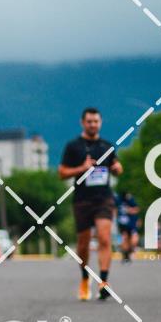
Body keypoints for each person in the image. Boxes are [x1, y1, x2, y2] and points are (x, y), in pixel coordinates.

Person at [58, 107, 123, 300]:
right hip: (82, 200)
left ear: (100, 123)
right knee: (83, 243)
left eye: (96, 121)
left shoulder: (107, 146)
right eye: (89, 121)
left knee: (104, 237)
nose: (93, 125)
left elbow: (117, 166)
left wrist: (117, 168)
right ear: (82, 123)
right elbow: (62, 173)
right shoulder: (73, 146)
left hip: (104, 198)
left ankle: (104, 281)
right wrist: (82, 168)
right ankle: (85, 278)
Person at [116, 191, 139, 262]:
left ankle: (129, 252)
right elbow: (115, 209)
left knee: (133, 240)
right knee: (124, 238)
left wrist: (129, 210)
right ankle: (125, 255)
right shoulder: (118, 200)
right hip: (122, 224)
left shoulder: (131, 200)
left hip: (131, 224)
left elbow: (136, 209)